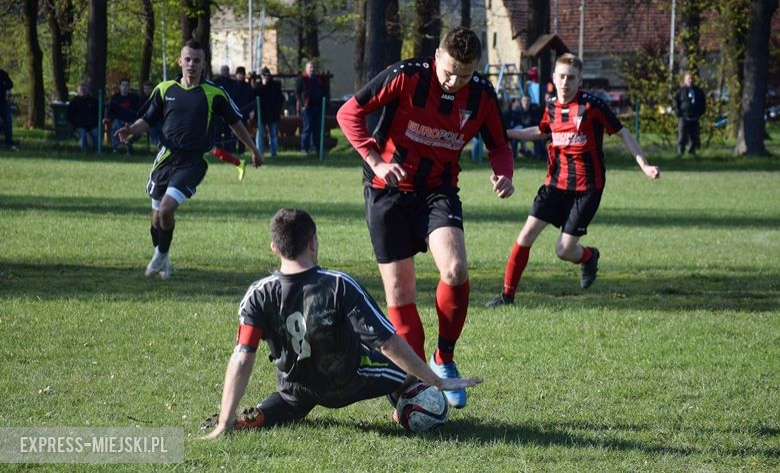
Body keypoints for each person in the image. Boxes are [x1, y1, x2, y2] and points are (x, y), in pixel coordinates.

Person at [337, 27, 515, 409]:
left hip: (438, 191)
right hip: (386, 192)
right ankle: (415, 381)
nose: (454, 81)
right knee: (400, 294)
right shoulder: (406, 76)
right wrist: (377, 162)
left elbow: (499, 144)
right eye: (449, 71)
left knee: (455, 270)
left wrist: (505, 173)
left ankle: (444, 358)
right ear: (437, 56)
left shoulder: (482, 95)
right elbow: (349, 112)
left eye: (464, 75)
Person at [199, 208, 482, 439]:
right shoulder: (338, 285)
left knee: (288, 400)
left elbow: (243, 356)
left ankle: (253, 417)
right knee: (406, 371)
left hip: (297, 386)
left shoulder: (258, 294)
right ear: (313, 242)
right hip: (350, 381)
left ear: (275, 248)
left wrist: (224, 419)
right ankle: (405, 408)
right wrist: (434, 378)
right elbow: (386, 342)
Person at [485, 53, 660, 308]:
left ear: (579, 81)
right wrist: (507, 133)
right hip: (554, 185)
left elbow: (624, 134)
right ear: (554, 78)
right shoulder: (551, 106)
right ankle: (507, 296)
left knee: (564, 250)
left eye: (571, 78)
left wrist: (644, 165)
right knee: (525, 236)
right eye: (562, 77)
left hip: (587, 188)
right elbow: (541, 130)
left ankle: (589, 257)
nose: (566, 82)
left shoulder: (592, 106)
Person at [114, 39, 263, 280]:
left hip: (192, 162)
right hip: (165, 158)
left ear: (204, 64)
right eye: (188, 59)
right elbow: (148, 120)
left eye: (197, 60)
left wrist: (253, 149)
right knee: (156, 218)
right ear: (180, 61)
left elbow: (236, 123)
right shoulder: (165, 89)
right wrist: (130, 130)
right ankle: (163, 256)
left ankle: (160, 257)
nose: (192, 64)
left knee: (166, 209)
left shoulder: (215, 94)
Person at [253, 67, 285, 157]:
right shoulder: (258, 86)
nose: (266, 77)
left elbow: (280, 99)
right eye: (264, 75)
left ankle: (273, 152)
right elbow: (254, 95)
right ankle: (259, 153)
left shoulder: (275, 85)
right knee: (260, 135)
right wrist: (263, 85)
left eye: (267, 75)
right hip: (261, 114)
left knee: (273, 134)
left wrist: (278, 110)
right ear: (261, 76)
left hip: (272, 113)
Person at [673, 72, 706, 156]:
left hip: (695, 117)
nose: (690, 80)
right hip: (683, 117)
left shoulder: (698, 91)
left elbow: (703, 102)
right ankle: (680, 153)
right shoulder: (680, 91)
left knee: (694, 136)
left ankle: (692, 152)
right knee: (682, 136)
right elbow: (675, 102)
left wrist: (701, 112)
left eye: (691, 78)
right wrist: (678, 112)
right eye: (688, 79)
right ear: (684, 80)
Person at [295, 60, 324, 154]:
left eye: (313, 68)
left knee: (317, 129)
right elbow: (297, 93)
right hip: (307, 107)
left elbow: (323, 91)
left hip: (317, 107)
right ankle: (304, 148)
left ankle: (316, 148)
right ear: (306, 69)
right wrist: (302, 104)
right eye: (310, 68)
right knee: (307, 128)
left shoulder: (318, 80)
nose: (312, 70)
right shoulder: (302, 79)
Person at [108, 78, 141, 154]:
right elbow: (111, 112)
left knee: (137, 131)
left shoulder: (135, 98)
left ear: (129, 87)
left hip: (131, 122)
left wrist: (136, 120)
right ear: (120, 86)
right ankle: (115, 149)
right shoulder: (114, 98)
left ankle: (128, 146)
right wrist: (113, 120)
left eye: (127, 85)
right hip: (118, 121)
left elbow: (139, 111)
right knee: (115, 127)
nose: (125, 87)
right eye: (123, 85)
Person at [66, 84, 100, 152]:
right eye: (81, 89)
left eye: (85, 89)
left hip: (92, 125)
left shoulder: (93, 101)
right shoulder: (74, 102)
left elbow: (99, 113)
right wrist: (74, 124)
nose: (83, 91)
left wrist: (96, 123)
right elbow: (69, 115)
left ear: (88, 90)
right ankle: (83, 152)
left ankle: (98, 152)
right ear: (78, 91)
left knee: (96, 133)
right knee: (83, 134)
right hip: (79, 126)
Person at [213, 65, 238, 152]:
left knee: (228, 131)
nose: (225, 72)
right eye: (224, 70)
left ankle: (229, 149)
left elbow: (234, 95)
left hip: (228, 109)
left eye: (227, 70)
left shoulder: (233, 83)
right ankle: (218, 150)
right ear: (221, 71)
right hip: (217, 111)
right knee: (217, 131)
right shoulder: (216, 82)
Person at [233, 67, 254, 154]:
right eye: (239, 74)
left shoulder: (248, 87)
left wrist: (250, 111)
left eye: (242, 74)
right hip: (233, 112)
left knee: (243, 131)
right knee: (233, 132)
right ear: (236, 75)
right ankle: (232, 149)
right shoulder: (233, 85)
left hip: (244, 112)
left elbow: (251, 99)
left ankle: (241, 150)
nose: (241, 76)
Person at [139, 80, 161, 148]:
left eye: (149, 88)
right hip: (147, 121)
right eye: (145, 88)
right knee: (152, 129)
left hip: (157, 120)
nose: (147, 90)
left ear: (152, 89)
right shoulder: (141, 99)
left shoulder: (156, 98)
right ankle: (158, 144)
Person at [0, 68, 16, 150]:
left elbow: (10, 85)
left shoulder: (2, 74)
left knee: (8, 121)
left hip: (2, 101)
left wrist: (3, 85)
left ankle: (8, 142)